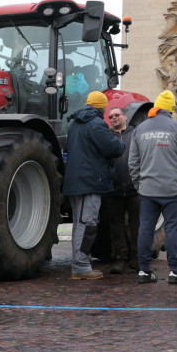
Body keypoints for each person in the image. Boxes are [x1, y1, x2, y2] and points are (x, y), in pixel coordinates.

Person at [130, 90, 177, 285]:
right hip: (174, 190)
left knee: (146, 229)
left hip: (148, 190)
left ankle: (144, 270)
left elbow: (133, 162)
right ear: (169, 110)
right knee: (174, 230)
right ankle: (175, 271)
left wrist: (138, 184)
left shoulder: (140, 129)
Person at [62, 91, 126, 280]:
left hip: (77, 181)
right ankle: (80, 266)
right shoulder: (96, 123)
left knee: (79, 223)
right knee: (87, 223)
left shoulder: (74, 123)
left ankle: (80, 263)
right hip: (89, 182)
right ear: (102, 106)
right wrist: (120, 143)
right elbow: (112, 147)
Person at [103, 106, 140, 274]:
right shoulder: (107, 137)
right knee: (116, 227)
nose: (114, 118)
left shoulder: (136, 135)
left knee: (137, 226)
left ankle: (136, 257)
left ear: (125, 117)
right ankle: (119, 258)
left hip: (135, 188)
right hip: (114, 188)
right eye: (111, 116)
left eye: (117, 115)